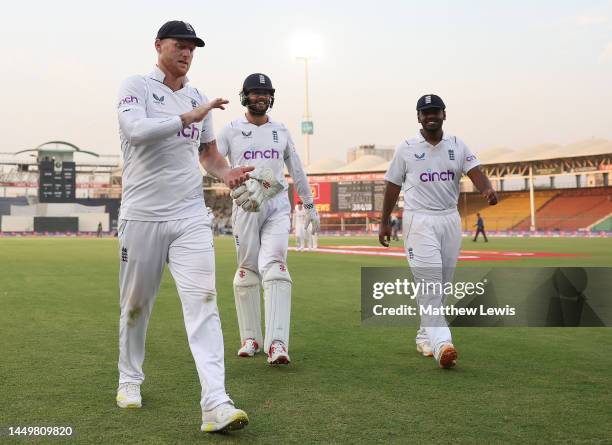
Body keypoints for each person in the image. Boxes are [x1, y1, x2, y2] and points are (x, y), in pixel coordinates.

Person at [115, 20, 252, 433]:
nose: (187, 52)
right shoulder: (136, 86)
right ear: (159, 45)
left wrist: (225, 173)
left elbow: (207, 154)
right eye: (179, 45)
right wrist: (187, 115)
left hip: (190, 216)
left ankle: (216, 403)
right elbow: (134, 131)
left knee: (205, 305)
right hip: (141, 215)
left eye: (192, 47)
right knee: (136, 307)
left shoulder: (196, 96)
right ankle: (130, 379)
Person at [379, 94, 498, 369]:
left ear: (444, 114)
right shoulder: (406, 148)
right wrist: (384, 220)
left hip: (449, 220)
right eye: (425, 112)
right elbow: (392, 186)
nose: (430, 116)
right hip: (419, 221)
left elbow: (475, 170)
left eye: (435, 111)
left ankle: (425, 336)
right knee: (430, 281)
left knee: (442, 284)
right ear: (418, 117)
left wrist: (487, 189)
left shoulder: (457, 144)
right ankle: (443, 343)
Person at [217, 73, 320, 365]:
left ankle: (277, 344)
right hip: (247, 204)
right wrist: (231, 182)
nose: (260, 97)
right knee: (247, 269)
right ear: (244, 97)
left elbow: (296, 169)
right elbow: (213, 163)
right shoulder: (231, 130)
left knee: (275, 268)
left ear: (271, 97)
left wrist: (309, 204)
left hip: (276, 203)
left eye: (265, 93)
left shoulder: (281, 130)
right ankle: (251, 338)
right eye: (254, 93)